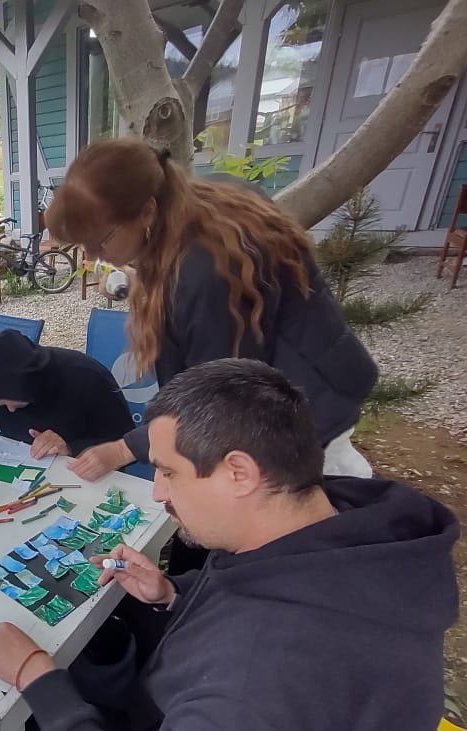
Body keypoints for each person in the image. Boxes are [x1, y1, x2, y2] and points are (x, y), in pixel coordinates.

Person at [0, 360, 459, 731]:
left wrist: (35, 676)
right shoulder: (347, 524)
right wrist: (172, 593)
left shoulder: (264, 672)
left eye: (168, 472)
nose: (157, 492)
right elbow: (254, 592)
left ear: (239, 472)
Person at [45, 137, 378, 481]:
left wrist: (124, 449)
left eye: (99, 241)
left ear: (146, 211)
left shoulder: (204, 274)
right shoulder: (205, 197)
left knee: (323, 504)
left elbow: (215, 398)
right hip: (309, 383)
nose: (91, 256)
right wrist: (138, 283)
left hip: (299, 426)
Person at [0, 329, 134, 461]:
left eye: (20, 403)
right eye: (0, 404)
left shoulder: (87, 377)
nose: (11, 410)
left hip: (84, 471)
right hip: (22, 462)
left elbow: (129, 444)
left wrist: (71, 447)